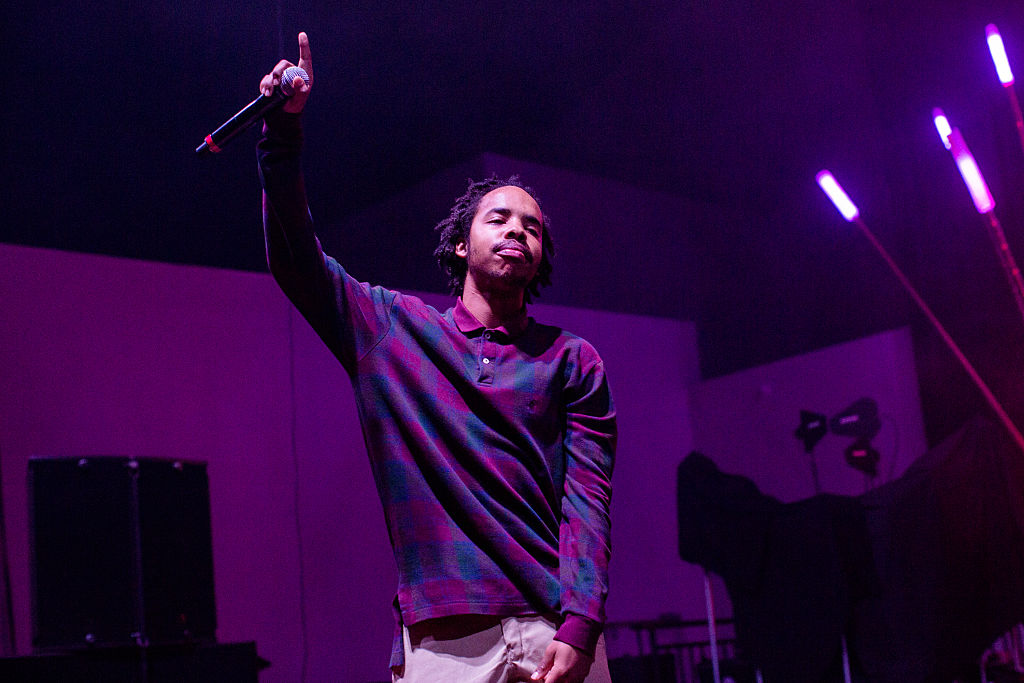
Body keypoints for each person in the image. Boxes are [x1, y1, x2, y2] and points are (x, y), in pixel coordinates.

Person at [257, 32, 616, 683]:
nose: (517, 231)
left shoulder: (572, 359)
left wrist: (582, 623)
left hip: (554, 630)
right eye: (500, 218)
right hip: (445, 640)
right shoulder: (393, 331)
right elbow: (295, 259)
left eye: (532, 227)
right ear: (459, 245)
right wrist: (282, 136)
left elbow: (587, 500)